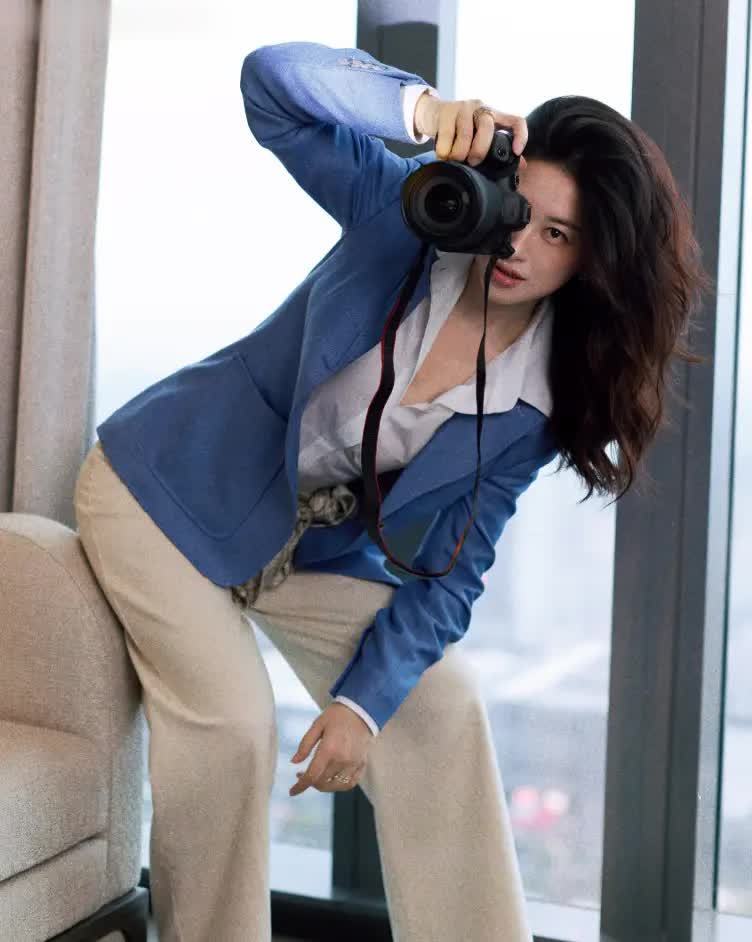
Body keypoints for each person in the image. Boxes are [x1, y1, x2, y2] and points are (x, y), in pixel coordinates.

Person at [73, 41, 712, 942]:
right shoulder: (403, 221)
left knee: (438, 702)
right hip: (165, 492)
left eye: (558, 236)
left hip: (293, 541)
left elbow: (456, 570)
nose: (518, 245)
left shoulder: (540, 398)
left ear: (593, 261)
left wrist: (361, 706)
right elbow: (271, 87)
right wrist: (421, 115)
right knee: (233, 727)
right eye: (520, 210)